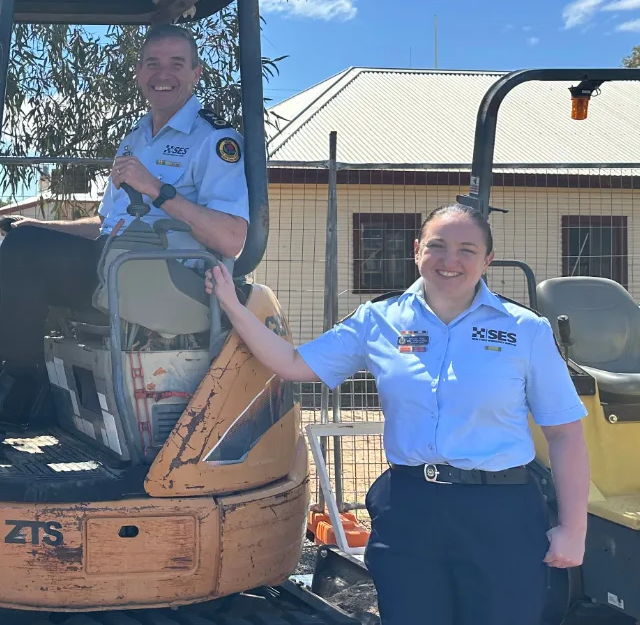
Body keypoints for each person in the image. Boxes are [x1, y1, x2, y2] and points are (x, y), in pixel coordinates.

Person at [206, 203, 590, 625]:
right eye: (437, 246)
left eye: (467, 249)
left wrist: (574, 529)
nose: (450, 260)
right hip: (411, 510)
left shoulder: (525, 330)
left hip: (499, 512)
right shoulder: (378, 321)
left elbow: (565, 434)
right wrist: (234, 307)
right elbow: (295, 363)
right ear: (416, 250)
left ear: (488, 260)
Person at [0, 23, 250, 411]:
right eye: (152, 63)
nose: (163, 74)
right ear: (139, 73)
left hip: (164, 275)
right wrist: (40, 227)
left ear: (196, 73)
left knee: (24, 252)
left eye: (176, 63)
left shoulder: (214, 140)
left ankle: (22, 391)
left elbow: (231, 238)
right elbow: (105, 225)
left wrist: (157, 189)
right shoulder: (136, 138)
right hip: (119, 263)